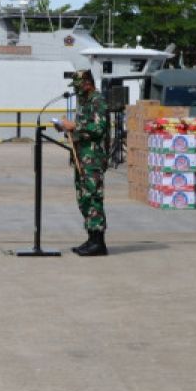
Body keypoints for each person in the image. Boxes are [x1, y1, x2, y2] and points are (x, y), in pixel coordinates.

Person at [57, 69, 109, 257]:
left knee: (93, 196)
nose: (76, 90)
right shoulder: (84, 101)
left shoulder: (98, 100)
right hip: (81, 156)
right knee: (83, 197)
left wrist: (75, 126)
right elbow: (81, 128)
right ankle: (91, 237)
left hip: (93, 158)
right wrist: (65, 127)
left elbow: (98, 128)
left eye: (78, 86)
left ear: (87, 83)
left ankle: (99, 242)